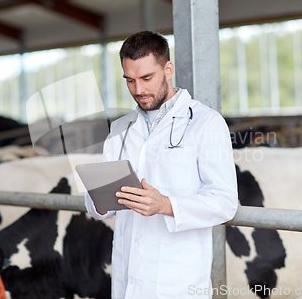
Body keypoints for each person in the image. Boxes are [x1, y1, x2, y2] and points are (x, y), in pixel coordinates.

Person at [84, 31, 238, 299]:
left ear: (168, 69)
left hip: (177, 280)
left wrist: (166, 205)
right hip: (127, 276)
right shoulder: (121, 128)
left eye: (146, 78)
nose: (138, 90)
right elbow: (95, 204)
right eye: (130, 81)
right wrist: (99, 202)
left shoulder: (206, 123)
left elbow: (225, 202)